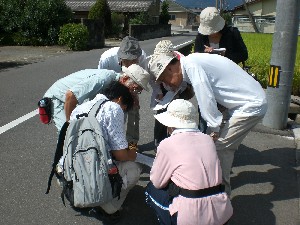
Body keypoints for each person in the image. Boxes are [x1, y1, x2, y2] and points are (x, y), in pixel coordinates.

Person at [148, 43, 268, 195]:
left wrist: (214, 128)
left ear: (171, 68)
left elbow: (206, 98)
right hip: (242, 103)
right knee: (217, 145)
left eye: (165, 78)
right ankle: (215, 187)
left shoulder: (191, 66)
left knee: (222, 148)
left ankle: (220, 193)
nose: (168, 84)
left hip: (250, 105)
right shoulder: (191, 62)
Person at [145, 99, 233, 225]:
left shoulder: (167, 144)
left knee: (150, 190)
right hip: (221, 210)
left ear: (170, 124)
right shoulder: (207, 140)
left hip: (191, 217)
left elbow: (157, 182)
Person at [66, 81, 141, 224]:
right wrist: (132, 150)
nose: (123, 112)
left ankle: (80, 194)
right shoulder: (113, 108)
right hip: (96, 172)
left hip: (73, 172)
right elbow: (120, 154)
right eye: (124, 108)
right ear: (119, 99)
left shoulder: (79, 108)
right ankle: (108, 206)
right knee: (134, 169)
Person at [43, 64, 150, 133]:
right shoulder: (103, 80)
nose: (135, 94)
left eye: (138, 91)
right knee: (69, 135)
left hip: (77, 101)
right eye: (135, 89)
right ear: (125, 78)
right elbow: (70, 96)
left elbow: (127, 127)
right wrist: (69, 125)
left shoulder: (123, 91)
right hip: (59, 98)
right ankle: (61, 165)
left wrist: (131, 147)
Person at [98, 36, 147, 151]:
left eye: (134, 61)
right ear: (120, 56)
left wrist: (134, 95)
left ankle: (132, 146)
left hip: (131, 88)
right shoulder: (106, 58)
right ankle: (112, 146)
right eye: (127, 60)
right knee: (112, 116)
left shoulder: (143, 56)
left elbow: (141, 80)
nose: (130, 64)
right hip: (112, 88)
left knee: (133, 118)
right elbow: (102, 82)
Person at [149, 40, 194, 149]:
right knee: (162, 114)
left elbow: (186, 79)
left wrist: (178, 88)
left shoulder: (181, 60)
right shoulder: (152, 63)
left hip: (180, 90)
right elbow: (152, 80)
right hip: (163, 91)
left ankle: (178, 143)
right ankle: (159, 144)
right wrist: (159, 93)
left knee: (179, 115)